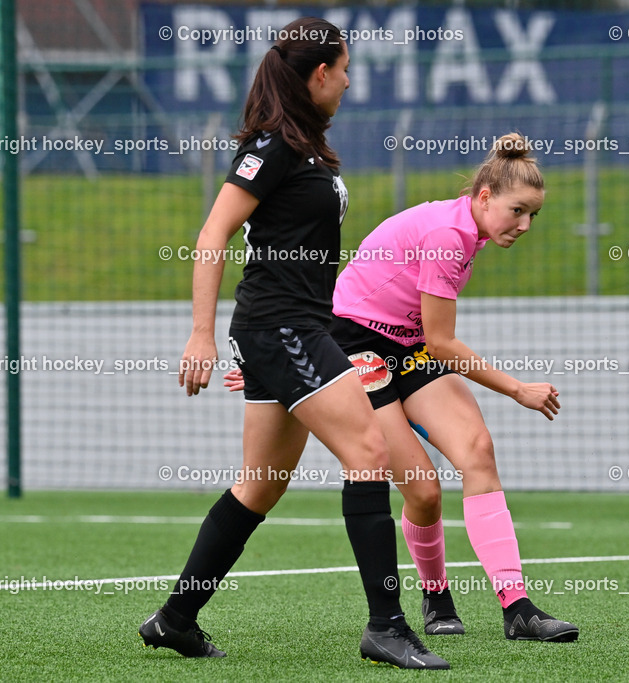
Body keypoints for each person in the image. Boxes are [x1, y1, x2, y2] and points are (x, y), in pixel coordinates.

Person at [138, 18, 449, 670]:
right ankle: (387, 624)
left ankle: (175, 618)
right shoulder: (274, 145)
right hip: (280, 327)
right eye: (343, 68)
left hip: (291, 326)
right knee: (368, 451)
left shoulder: (304, 148)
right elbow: (212, 234)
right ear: (318, 73)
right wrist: (201, 333)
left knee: (261, 483)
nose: (347, 79)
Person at [225, 133, 578, 642]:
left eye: (533, 216)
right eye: (517, 211)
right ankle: (436, 597)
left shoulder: (466, 230)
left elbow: (425, 341)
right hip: (354, 345)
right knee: (424, 488)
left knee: (477, 450)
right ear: (483, 198)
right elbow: (443, 343)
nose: (524, 225)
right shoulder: (447, 235)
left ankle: (518, 608)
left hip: (407, 347)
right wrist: (517, 389)